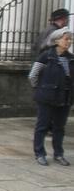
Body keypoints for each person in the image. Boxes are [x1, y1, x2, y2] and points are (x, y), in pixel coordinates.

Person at [29, 27, 74, 166]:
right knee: (42, 126)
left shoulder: (71, 58)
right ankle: (40, 153)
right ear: (57, 40)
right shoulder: (46, 56)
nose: (69, 42)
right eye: (66, 39)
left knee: (59, 127)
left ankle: (58, 154)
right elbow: (33, 75)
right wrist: (42, 89)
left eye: (70, 39)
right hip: (47, 97)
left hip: (65, 97)